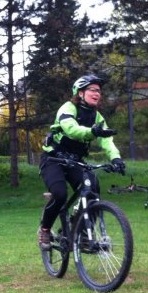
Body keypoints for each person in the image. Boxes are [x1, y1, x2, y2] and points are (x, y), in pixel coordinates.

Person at [37, 74, 126, 249]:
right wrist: (93, 132)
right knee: (60, 194)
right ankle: (45, 229)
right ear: (80, 92)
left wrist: (116, 158)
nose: (97, 93)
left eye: (99, 91)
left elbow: (107, 140)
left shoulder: (97, 117)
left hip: (75, 161)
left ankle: (83, 232)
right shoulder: (68, 108)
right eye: (92, 90)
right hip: (53, 158)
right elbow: (72, 130)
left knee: (93, 187)